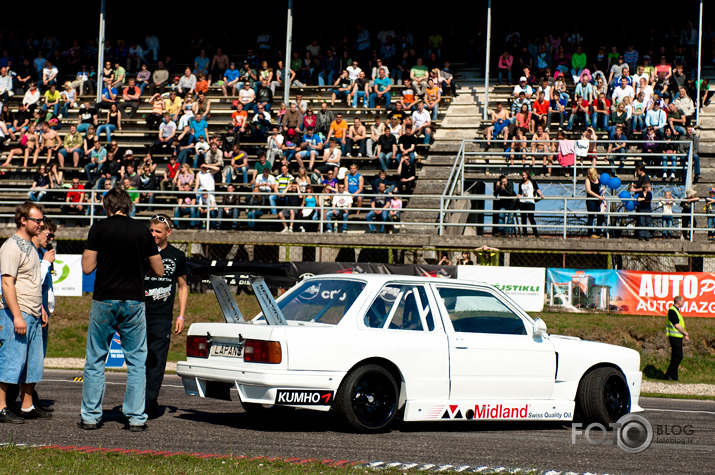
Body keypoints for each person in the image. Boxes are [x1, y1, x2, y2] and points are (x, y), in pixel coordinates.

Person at [79, 189, 164, 431]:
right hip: (134, 300)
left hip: (105, 298)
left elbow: (87, 267)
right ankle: (136, 418)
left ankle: (91, 416)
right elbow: (158, 270)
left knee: (95, 359)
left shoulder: (99, 228)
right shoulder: (142, 231)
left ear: (107, 206)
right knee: (137, 362)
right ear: (128, 206)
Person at [0, 202, 48, 423]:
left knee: (32, 363)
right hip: (16, 314)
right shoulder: (11, 246)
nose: (41, 224)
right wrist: (17, 315)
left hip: (33, 312)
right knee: (10, 360)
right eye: (37, 220)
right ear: (23, 220)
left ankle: (27, 405)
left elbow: (31, 282)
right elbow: (7, 284)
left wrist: (41, 308)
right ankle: (1, 407)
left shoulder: (32, 246)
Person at [143, 214, 187, 418]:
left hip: (162, 315)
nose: (153, 234)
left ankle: (150, 400)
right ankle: (137, 399)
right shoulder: (141, 252)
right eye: (151, 230)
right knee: (138, 359)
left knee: (157, 360)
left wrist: (181, 316)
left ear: (168, 233)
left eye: (157, 231)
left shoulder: (177, 255)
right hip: (139, 313)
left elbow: (183, 286)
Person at [664, 296, 689, 381]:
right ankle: (669, 373)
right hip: (674, 337)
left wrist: (683, 334)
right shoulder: (672, 310)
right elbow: (676, 324)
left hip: (678, 337)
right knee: (678, 356)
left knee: (676, 356)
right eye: (683, 302)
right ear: (678, 302)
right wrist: (684, 332)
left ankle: (674, 375)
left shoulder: (676, 311)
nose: (683, 303)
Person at [517, 170, 543, 237]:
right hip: (522, 202)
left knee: (531, 217)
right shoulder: (521, 183)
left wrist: (541, 195)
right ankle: (525, 233)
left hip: (530, 201)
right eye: (522, 175)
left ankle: (536, 233)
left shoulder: (532, 182)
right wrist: (518, 196)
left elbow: (537, 189)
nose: (524, 177)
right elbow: (520, 192)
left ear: (528, 175)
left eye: (525, 175)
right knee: (523, 218)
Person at [585, 168, 606, 239]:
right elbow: (588, 190)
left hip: (598, 201)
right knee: (591, 216)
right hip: (591, 200)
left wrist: (602, 194)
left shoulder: (599, 179)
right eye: (588, 174)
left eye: (590, 174)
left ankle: (598, 233)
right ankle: (590, 233)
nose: (588, 175)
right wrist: (598, 196)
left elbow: (601, 188)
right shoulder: (588, 180)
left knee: (600, 216)